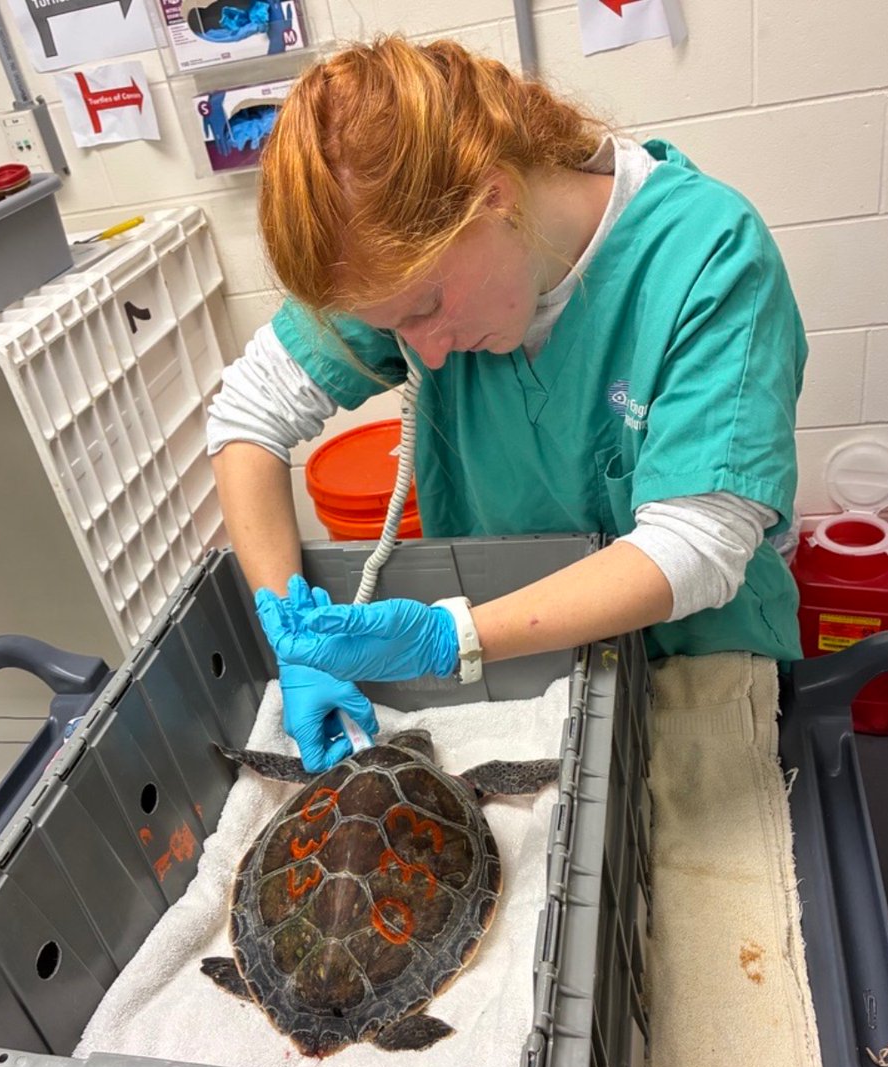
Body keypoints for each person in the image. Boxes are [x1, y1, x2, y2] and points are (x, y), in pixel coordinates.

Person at [208, 35, 807, 771]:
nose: (422, 354)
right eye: (395, 326)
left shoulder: (708, 259)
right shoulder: (400, 265)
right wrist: (292, 633)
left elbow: (696, 546)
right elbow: (247, 414)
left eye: (427, 306)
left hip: (692, 664)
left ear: (493, 197)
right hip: (520, 670)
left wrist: (447, 638)